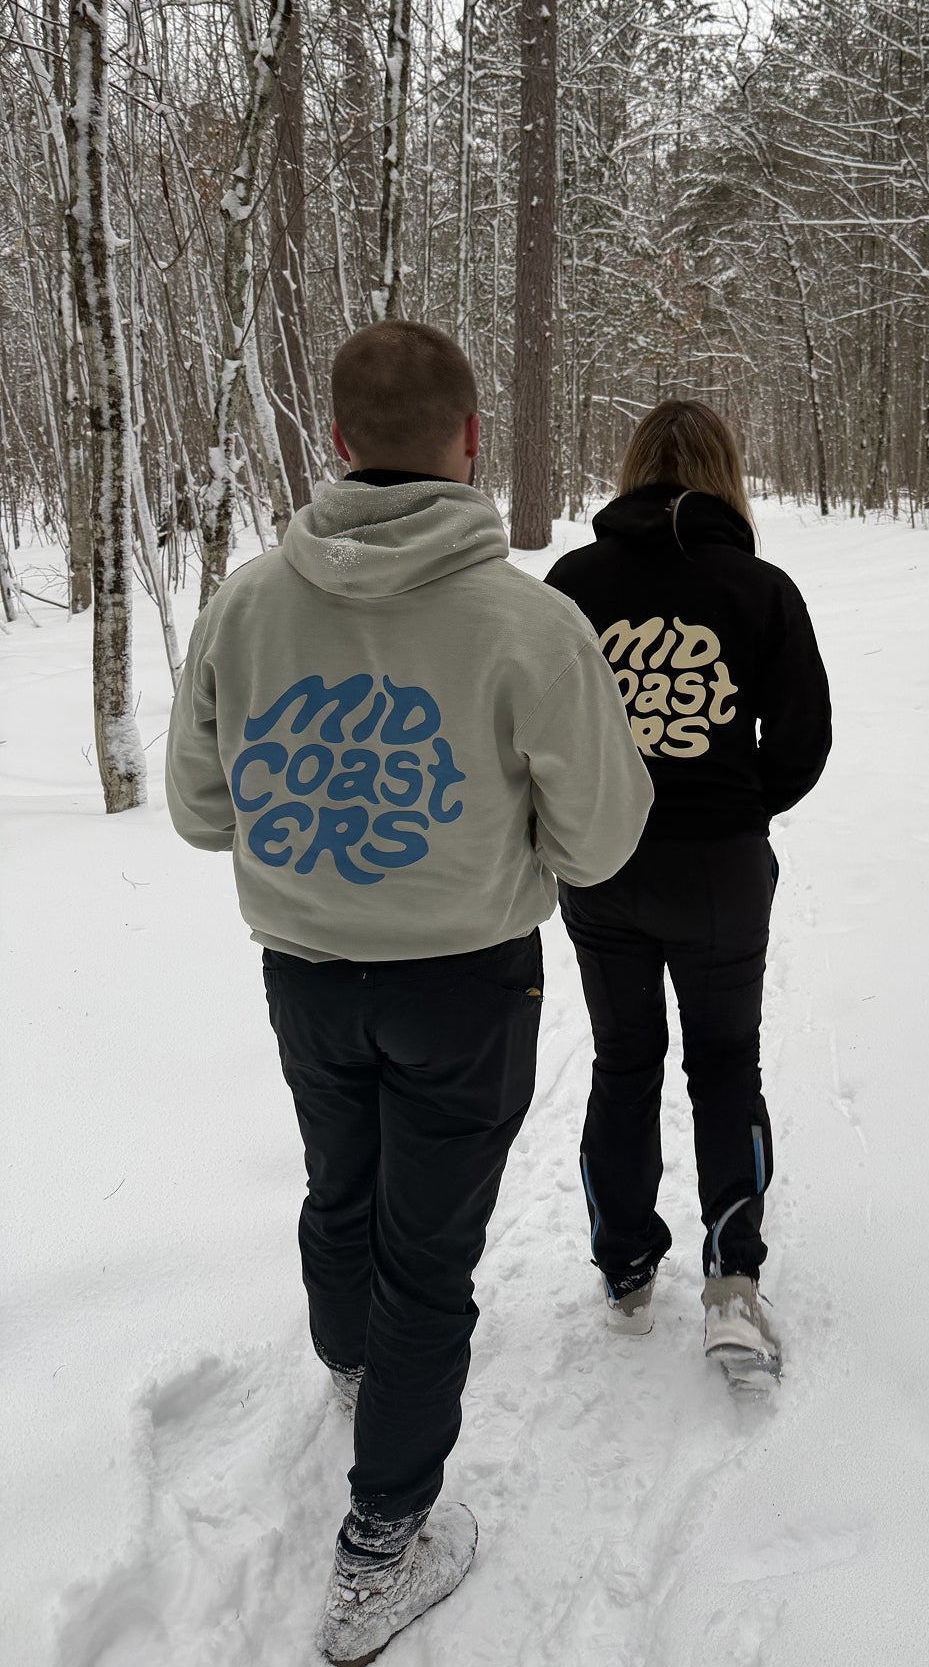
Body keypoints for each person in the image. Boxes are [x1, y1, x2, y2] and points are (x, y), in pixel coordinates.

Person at [165, 322, 651, 1665]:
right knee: (428, 1255)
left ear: (334, 441)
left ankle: (355, 1359)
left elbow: (204, 813)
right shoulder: (526, 622)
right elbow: (605, 838)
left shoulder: (248, 605)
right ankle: (383, 1546)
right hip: (462, 985)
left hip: (307, 975)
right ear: (470, 437)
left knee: (343, 1183)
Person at [546, 400, 832, 1381]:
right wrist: (737, 801)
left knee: (624, 1060)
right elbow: (803, 742)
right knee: (723, 1063)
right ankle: (731, 1288)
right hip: (719, 872)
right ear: (726, 473)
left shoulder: (574, 586)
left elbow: (541, 733)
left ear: (630, 470)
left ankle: (625, 1268)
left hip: (605, 865)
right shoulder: (761, 590)